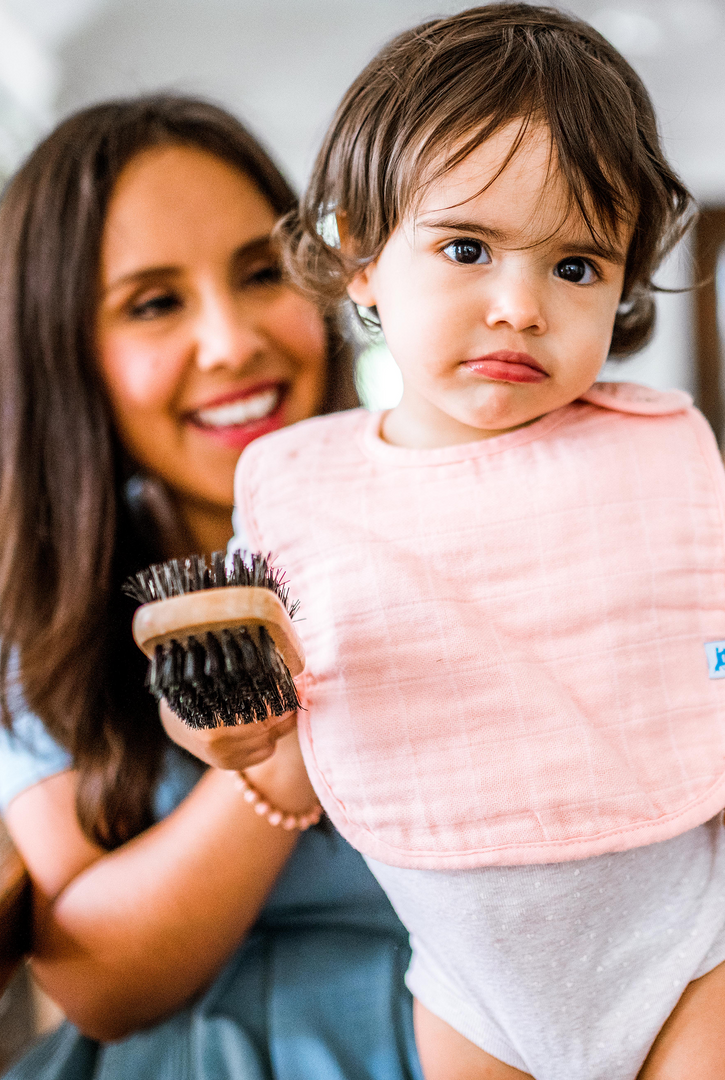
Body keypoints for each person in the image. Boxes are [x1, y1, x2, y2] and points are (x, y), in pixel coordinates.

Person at [174, 8, 725, 1079]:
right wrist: (222, 731)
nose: (521, 307)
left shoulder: (646, 455)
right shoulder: (308, 491)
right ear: (360, 257)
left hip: (688, 955)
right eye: (468, 249)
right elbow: (236, 669)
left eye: (577, 265)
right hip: (471, 989)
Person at [0, 96, 421, 1079]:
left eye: (261, 273)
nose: (231, 343)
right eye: (154, 304)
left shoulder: (455, 509)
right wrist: (277, 762)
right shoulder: (48, 621)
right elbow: (103, 983)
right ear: (65, 355)